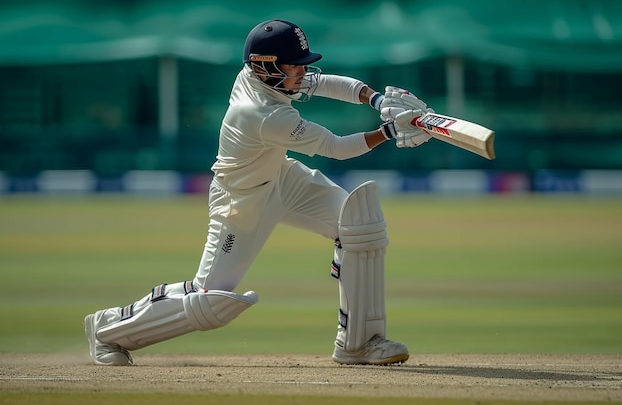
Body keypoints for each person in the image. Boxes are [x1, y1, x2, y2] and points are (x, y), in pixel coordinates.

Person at [84, 19, 432, 366]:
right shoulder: (261, 113)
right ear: (264, 66)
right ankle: (108, 330)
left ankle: (359, 344)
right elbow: (337, 147)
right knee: (209, 302)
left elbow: (324, 82)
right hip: (242, 202)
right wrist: (388, 132)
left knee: (359, 226)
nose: (301, 72)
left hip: (282, 178)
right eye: (293, 64)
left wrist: (376, 99)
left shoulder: (259, 76)